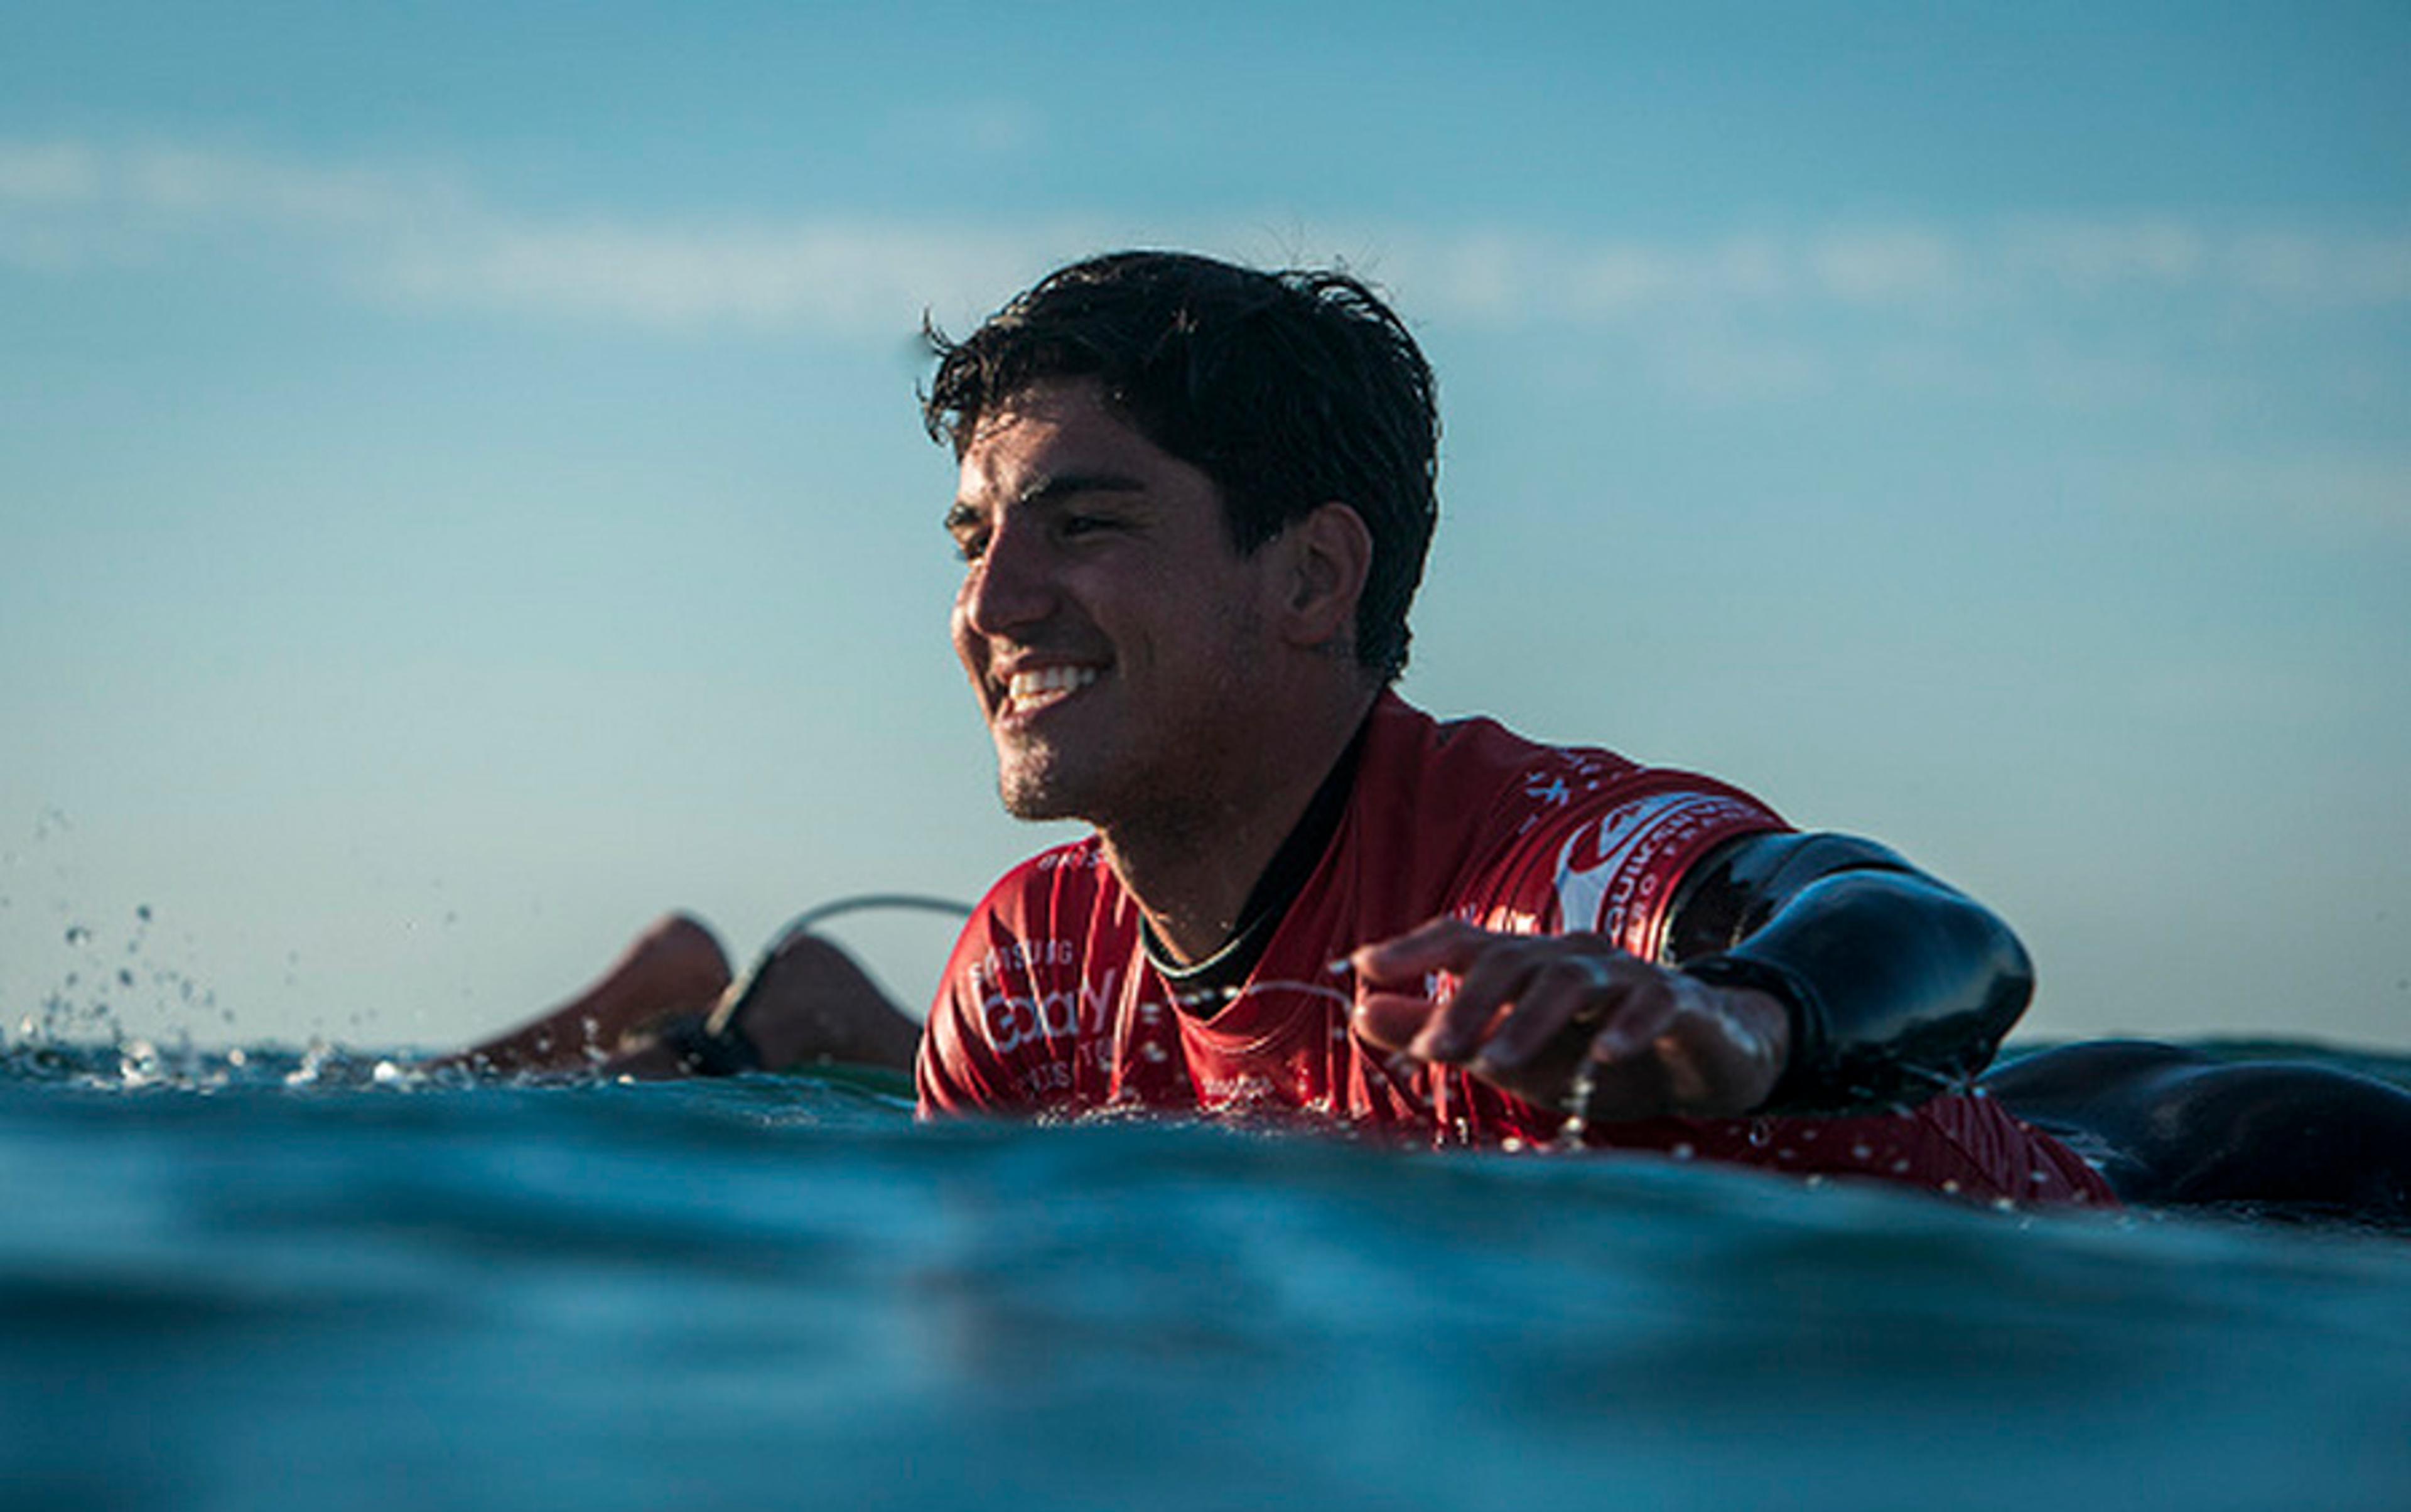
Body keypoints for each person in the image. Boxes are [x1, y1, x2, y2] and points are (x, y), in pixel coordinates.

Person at [455, 251, 2411, 1226]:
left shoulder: (1543, 860)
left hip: (2212, 1193)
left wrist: (1738, 1020)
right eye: (974, 538)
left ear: (1314, 578)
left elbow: (1933, 933)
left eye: (1087, 520)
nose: (993, 603)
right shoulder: (1036, 971)